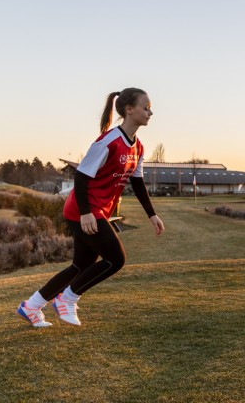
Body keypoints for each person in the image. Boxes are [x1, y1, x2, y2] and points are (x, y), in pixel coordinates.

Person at [16, 87, 165, 327]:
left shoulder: (138, 147)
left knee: (81, 265)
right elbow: (81, 177)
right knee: (115, 260)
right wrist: (86, 213)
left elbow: (137, 183)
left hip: (97, 211)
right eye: (145, 107)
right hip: (83, 209)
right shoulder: (108, 141)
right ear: (129, 109)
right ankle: (67, 299)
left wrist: (152, 214)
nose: (151, 112)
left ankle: (31, 307)